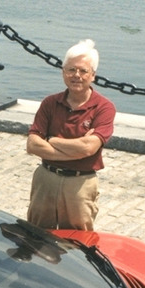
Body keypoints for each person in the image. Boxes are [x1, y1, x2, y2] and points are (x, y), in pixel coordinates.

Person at [25, 39, 116, 231]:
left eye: (83, 71)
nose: (77, 75)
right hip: (46, 179)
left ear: (93, 76)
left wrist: (52, 140)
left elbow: (89, 148)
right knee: (36, 235)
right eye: (71, 70)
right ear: (63, 72)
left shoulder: (104, 108)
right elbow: (32, 145)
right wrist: (76, 151)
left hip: (80, 184)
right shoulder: (50, 103)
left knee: (78, 241)